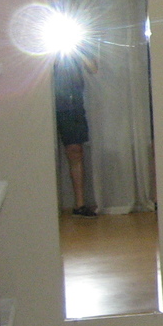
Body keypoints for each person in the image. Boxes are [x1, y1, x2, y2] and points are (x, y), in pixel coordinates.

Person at [53, 41, 98, 216]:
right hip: (49, 103)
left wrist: (76, 48)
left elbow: (93, 67)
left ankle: (80, 204)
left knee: (75, 150)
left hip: (73, 103)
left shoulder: (81, 44)